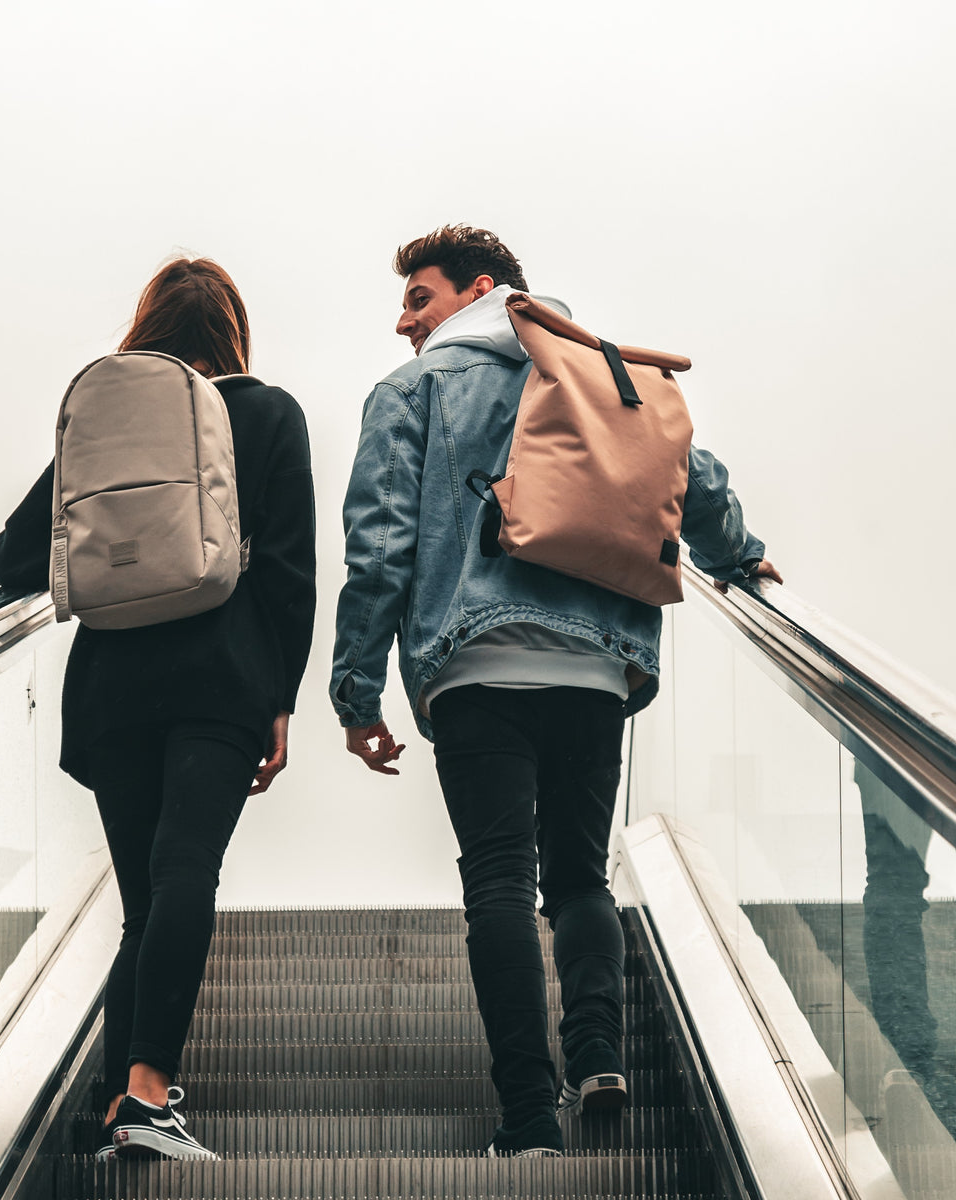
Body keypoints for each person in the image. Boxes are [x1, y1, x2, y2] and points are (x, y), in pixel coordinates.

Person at [330, 224, 781, 1158]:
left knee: (498, 880)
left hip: (475, 665)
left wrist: (356, 691)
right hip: (595, 668)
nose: (403, 321)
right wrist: (742, 558)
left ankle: (531, 1118)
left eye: (419, 298)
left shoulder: (412, 392)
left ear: (479, 288)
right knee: (579, 874)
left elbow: (378, 550)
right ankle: (600, 1054)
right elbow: (690, 474)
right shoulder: (601, 372)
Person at [0, 258, 316, 1161]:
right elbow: (290, 571)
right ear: (233, 333)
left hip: (110, 690)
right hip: (221, 679)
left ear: (145, 329)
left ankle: (115, 1100)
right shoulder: (268, 413)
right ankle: (144, 1097)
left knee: (146, 896)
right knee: (185, 876)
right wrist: (280, 698)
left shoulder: (103, 429)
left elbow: (16, 556)